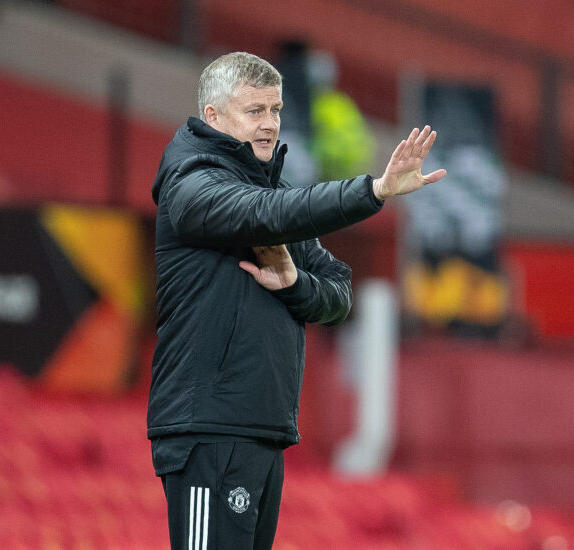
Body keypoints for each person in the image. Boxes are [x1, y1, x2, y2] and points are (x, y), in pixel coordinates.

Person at [147, 51, 446, 550]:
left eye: (276, 110)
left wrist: (293, 284)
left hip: (262, 428)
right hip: (208, 430)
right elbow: (265, 214)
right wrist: (372, 190)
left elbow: (338, 294)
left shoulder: (271, 194)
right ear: (213, 117)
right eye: (255, 111)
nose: (270, 125)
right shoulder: (191, 185)